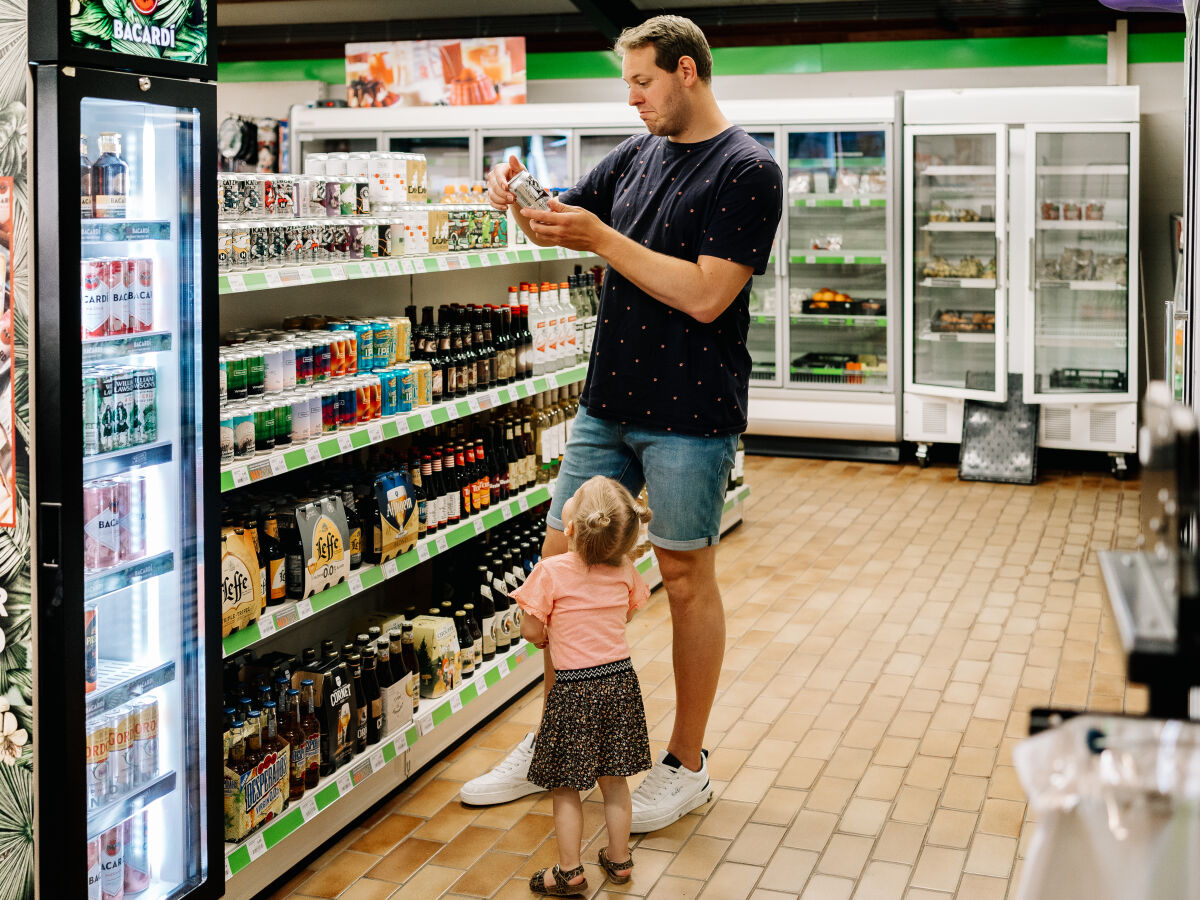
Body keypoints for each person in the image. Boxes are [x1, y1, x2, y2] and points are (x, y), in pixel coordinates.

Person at [460, 14, 783, 833]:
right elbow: (564, 220)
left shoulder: (748, 170)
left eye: (641, 82)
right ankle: (554, 747)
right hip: (608, 404)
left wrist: (602, 237)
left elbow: (709, 293)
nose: (631, 98)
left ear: (686, 71)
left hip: (690, 413)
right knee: (559, 570)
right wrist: (520, 203)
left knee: (682, 581)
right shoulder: (635, 156)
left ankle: (686, 765)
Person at [515, 477, 653, 896]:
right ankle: (619, 858)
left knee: (567, 786)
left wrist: (545, 636)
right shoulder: (625, 570)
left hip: (573, 690)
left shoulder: (550, 572)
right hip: (619, 683)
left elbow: (530, 627)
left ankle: (570, 871)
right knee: (615, 780)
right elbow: (627, 613)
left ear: (571, 527)